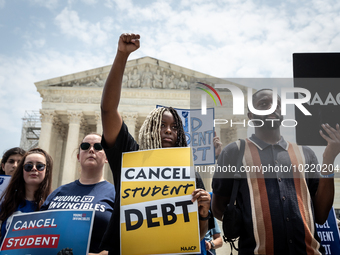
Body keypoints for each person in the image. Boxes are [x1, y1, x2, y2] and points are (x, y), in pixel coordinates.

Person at [100, 33, 213, 254]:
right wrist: (122, 56)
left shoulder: (189, 172)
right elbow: (108, 110)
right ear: (149, 127)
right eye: (161, 125)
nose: (168, 130)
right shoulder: (130, 158)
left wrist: (203, 212)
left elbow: (196, 235)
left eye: (174, 127)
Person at [212, 89, 340, 255]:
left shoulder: (305, 153)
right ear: (250, 115)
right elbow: (218, 208)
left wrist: (328, 158)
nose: (272, 108)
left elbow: (321, 215)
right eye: (263, 104)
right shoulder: (233, 152)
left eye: (277, 105)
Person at [41, 133, 115, 255]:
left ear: (107, 158)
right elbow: (39, 233)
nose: (91, 150)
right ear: (78, 157)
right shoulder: (58, 193)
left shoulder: (115, 194)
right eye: (85, 146)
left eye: (98, 147)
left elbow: (126, 242)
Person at [0, 148, 53, 244]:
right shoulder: (7, 203)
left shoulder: (53, 207)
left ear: (47, 171)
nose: (34, 168)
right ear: (22, 171)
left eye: (40, 166)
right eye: (28, 166)